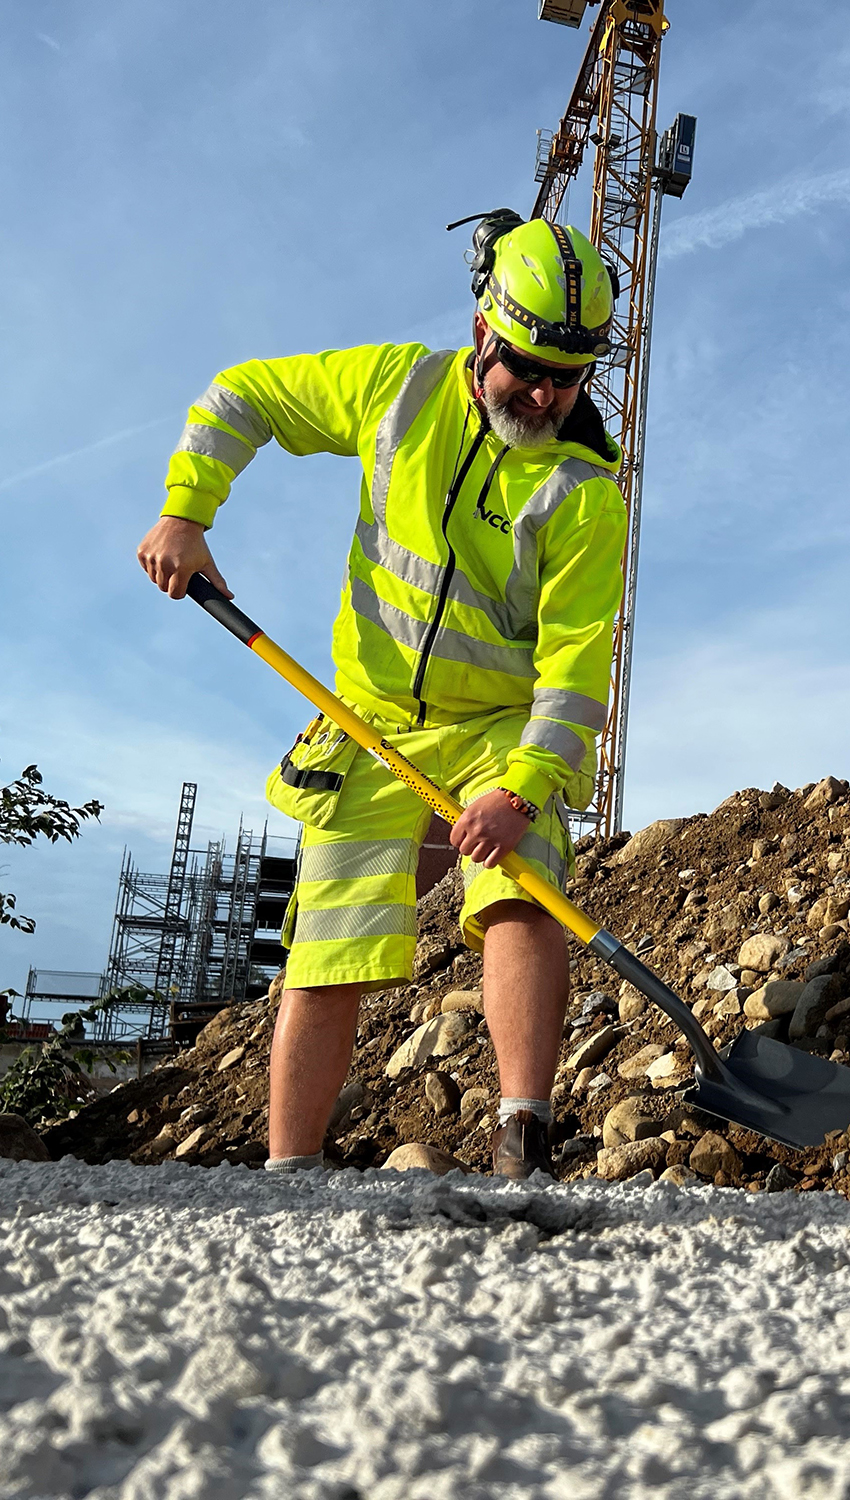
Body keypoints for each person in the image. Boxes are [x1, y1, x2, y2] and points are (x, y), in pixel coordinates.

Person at [136, 213, 627, 1180]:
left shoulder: (584, 493)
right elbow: (242, 398)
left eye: (568, 378)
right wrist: (186, 513)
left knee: (522, 894)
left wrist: (522, 786)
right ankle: (292, 1174)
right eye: (527, 366)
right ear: (485, 330)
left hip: (495, 731)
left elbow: (575, 672)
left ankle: (525, 1143)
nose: (545, 394)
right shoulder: (398, 389)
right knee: (329, 944)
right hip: (371, 723)